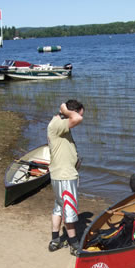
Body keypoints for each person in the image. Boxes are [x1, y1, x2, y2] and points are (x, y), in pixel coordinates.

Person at [47, 100, 85, 255]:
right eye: (79, 112)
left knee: (59, 207)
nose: (78, 119)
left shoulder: (59, 124)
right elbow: (77, 118)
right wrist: (65, 110)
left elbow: (75, 119)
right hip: (64, 177)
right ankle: (74, 244)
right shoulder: (57, 124)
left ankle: (55, 240)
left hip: (60, 174)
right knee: (69, 210)